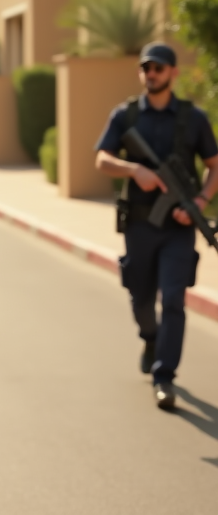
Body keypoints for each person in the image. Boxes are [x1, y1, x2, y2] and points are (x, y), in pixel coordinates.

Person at [95, 42, 218, 410]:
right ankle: (150, 337)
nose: (152, 74)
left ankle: (165, 378)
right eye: (147, 68)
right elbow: (102, 158)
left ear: (173, 73)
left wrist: (199, 202)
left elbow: (215, 165)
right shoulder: (127, 115)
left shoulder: (193, 119)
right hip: (139, 224)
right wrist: (134, 170)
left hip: (178, 227)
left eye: (159, 68)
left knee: (175, 300)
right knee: (141, 297)